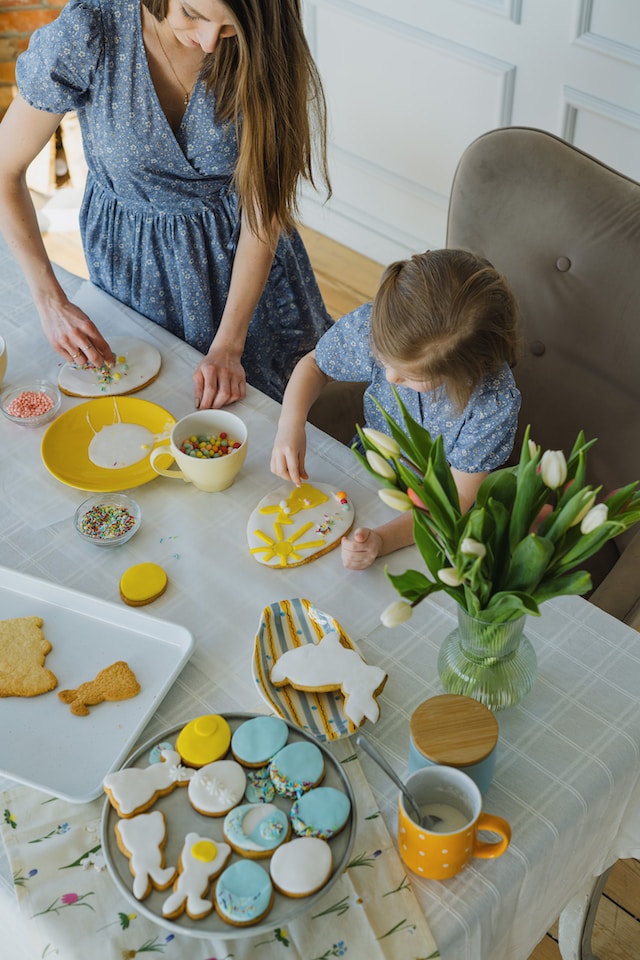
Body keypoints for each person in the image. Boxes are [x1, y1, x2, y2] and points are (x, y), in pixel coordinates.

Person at [0, 0, 333, 408]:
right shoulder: (90, 32)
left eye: (229, 29)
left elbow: (264, 209)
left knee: (270, 422)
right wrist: (50, 300)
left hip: (246, 283)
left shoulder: (267, 38)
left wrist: (229, 344)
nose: (210, 42)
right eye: (193, 14)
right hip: (132, 275)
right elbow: (5, 172)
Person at [271, 248, 522, 569]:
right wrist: (290, 424)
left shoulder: (491, 405)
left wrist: (383, 539)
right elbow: (316, 366)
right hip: (369, 462)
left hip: (436, 510)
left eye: (411, 376)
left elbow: (454, 503)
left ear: (462, 374)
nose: (389, 376)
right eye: (383, 357)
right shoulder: (379, 326)